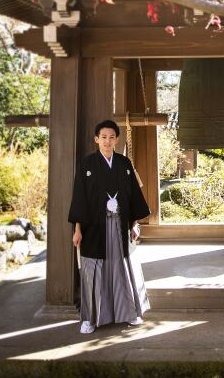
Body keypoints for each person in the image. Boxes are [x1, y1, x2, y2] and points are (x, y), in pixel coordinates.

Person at [68, 119, 151, 334]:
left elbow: (133, 196)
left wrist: (135, 224)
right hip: (94, 226)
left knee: (122, 268)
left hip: (120, 224)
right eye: (103, 137)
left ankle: (130, 312)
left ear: (116, 140)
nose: (107, 141)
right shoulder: (87, 165)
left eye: (111, 137)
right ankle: (90, 318)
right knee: (93, 272)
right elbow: (79, 198)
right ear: (96, 139)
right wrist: (77, 229)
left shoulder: (124, 164)